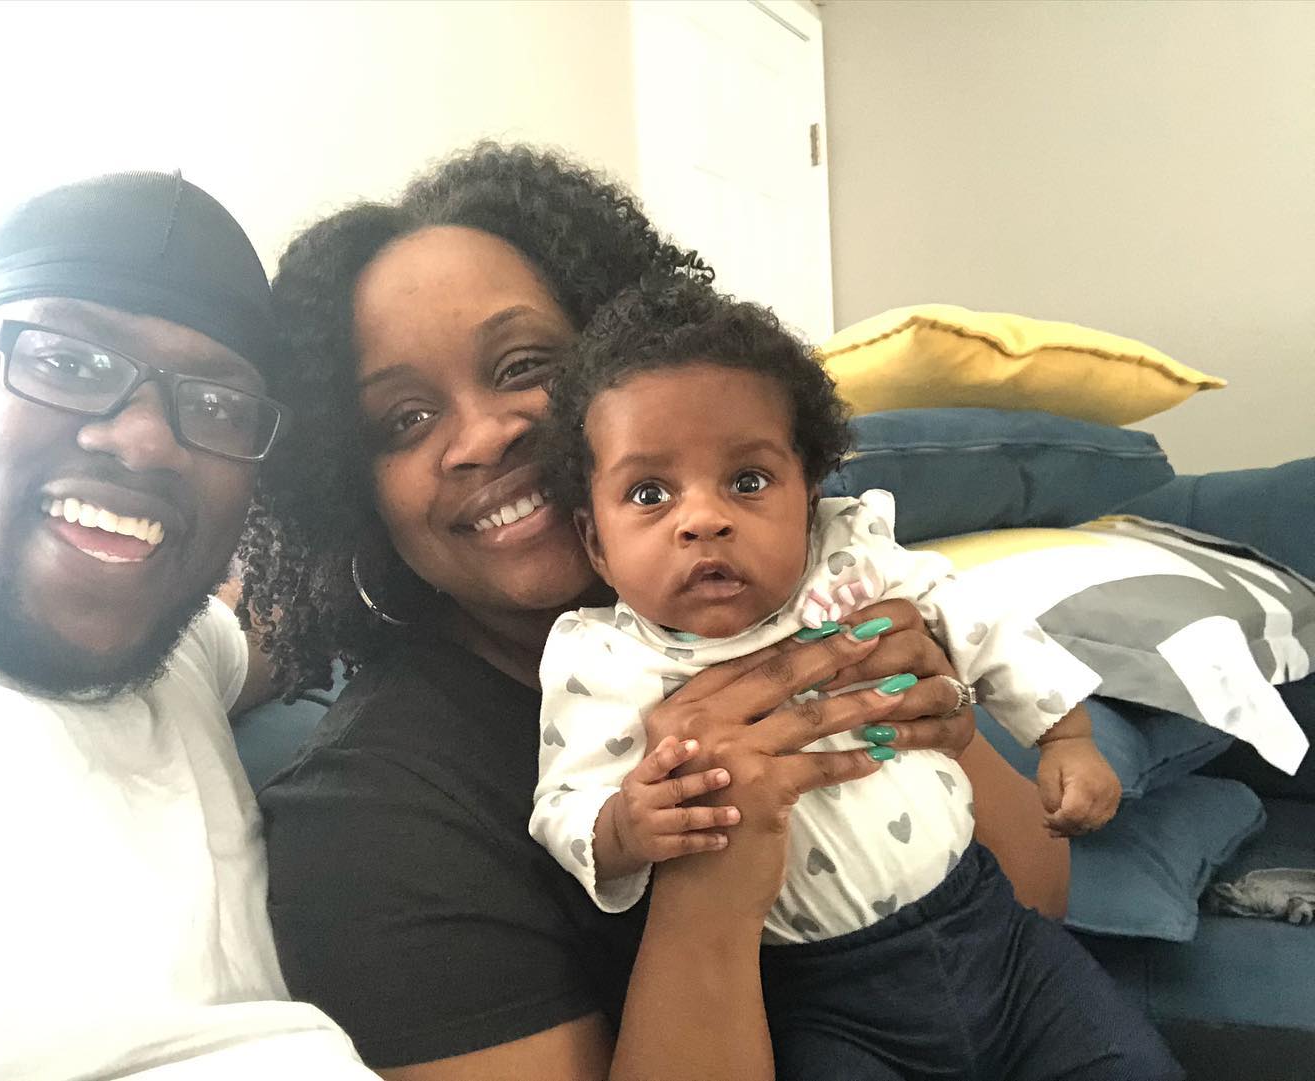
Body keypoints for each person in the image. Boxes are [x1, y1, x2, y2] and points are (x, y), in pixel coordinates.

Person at [242, 144, 1062, 1080]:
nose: (484, 436)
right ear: (353, 491)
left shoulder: (826, 597)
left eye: (522, 365)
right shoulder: (370, 825)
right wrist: (711, 848)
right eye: (405, 420)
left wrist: (937, 722)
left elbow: (1040, 907)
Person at [529, 277, 1179, 1079]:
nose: (703, 517)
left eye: (748, 480)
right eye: (650, 492)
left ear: (808, 494)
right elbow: (563, 801)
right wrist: (625, 826)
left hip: (994, 932)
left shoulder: (855, 561)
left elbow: (978, 620)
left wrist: (1065, 733)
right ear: (596, 544)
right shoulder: (602, 661)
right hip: (822, 994)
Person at [0, 172, 375, 1079]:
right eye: (68, 362)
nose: (146, 441)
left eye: (218, 406)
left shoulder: (172, 650)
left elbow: (281, 613)